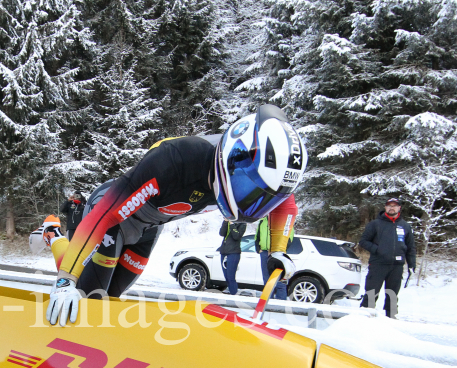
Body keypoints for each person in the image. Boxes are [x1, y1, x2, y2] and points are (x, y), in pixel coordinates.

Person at [38, 104, 306, 326]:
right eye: (249, 189)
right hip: (111, 215)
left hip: (150, 226)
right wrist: (66, 281)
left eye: (263, 196)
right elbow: (106, 215)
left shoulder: (263, 171)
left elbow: (285, 203)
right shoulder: (173, 160)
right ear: (234, 159)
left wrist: (277, 250)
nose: (253, 203)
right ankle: (53, 236)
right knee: (92, 299)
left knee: (112, 296)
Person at [359, 197, 416, 318]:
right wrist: (378, 250)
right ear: (385, 207)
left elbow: (411, 247)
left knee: (393, 294)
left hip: (396, 266)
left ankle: (391, 316)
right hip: (378, 264)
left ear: (399, 208)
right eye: (389, 205)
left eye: (394, 206)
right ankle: (364, 315)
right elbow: (363, 241)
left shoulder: (405, 226)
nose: (392, 208)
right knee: (371, 291)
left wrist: (412, 264)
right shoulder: (375, 224)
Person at [255, 203, 294, 300]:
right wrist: (258, 248)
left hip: (277, 252)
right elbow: (257, 235)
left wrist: (279, 249)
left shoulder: (283, 220)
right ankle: (268, 301)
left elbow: (289, 237)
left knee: (280, 279)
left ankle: (280, 303)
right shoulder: (263, 221)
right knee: (266, 279)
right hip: (264, 252)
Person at [217, 220, 246, 295]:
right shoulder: (228, 223)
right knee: (226, 277)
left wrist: (232, 224)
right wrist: (225, 222)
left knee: (231, 277)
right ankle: (231, 293)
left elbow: (236, 236)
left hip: (233, 252)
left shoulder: (242, 224)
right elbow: (222, 233)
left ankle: (234, 294)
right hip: (224, 252)